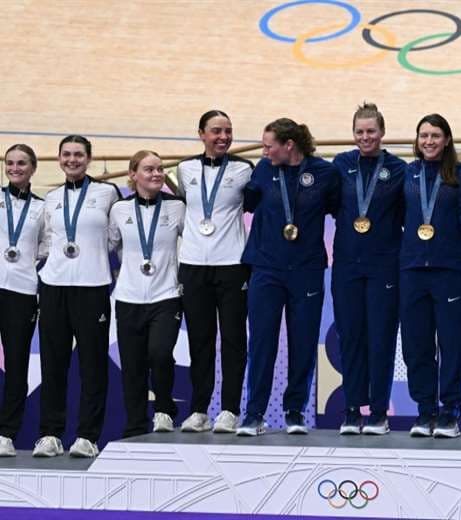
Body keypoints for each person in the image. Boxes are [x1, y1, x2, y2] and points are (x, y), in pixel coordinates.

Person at [237, 118, 340, 436]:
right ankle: (254, 413)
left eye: (269, 146)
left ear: (289, 145)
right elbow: (248, 205)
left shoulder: (324, 173)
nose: (263, 151)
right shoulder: (263, 169)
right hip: (266, 269)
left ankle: (294, 410)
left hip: (307, 270)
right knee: (262, 342)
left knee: (303, 343)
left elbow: (339, 210)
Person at [34, 135, 122, 458]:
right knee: (53, 364)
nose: (72, 160)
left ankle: (87, 436)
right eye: (67, 155)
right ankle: (50, 434)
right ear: (58, 159)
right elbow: (44, 242)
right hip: (54, 286)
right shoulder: (51, 197)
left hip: (93, 287)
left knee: (93, 366)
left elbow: (115, 237)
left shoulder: (107, 193)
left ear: (89, 158)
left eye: (79, 155)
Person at [331, 102, 406, 435]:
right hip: (346, 265)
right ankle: (351, 409)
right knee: (351, 338)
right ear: (353, 134)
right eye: (360, 132)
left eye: (371, 131)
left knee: (381, 339)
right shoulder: (340, 165)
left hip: (384, 266)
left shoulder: (399, 169)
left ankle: (378, 411)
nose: (365, 137)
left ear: (382, 132)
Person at [176, 110, 252, 434]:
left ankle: (230, 410)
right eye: (216, 131)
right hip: (193, 265)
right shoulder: (184, 169)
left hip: (232, 264)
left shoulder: (244, 169)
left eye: (228, 131)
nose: (223, 137)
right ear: (201, 133)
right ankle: (198, 410)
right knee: (200, 341)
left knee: (233, 340)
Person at [399, 114, 461, 438]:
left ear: (447, 140)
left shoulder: (460, 175)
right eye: (423, 135)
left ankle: (450, 411)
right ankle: (425, 410)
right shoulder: (407, 174)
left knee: (452, 344)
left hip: (449, 270)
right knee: (416, 345)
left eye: (435, 135)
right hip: (412, 269)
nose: (429, 141)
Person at [109, 151, 185, 437]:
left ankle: (164, 409)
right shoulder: (119, 210)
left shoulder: (177, 207)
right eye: (149, 169)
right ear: (133, 175)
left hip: (166, 295)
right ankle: (136, 424)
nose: (156, 174)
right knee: (132, 365)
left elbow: (194, 240)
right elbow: (108, 244)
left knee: (160, 353)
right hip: (128, 298)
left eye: (160, 169)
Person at [0, 145, 45, 457]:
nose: (15, 168)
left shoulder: (42, 208)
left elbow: (47, 246)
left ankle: (6, 434)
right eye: (10, 163)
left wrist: (27, 259)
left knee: (16, 365)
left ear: (33, 168)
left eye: (21, 163)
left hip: (22, 292)